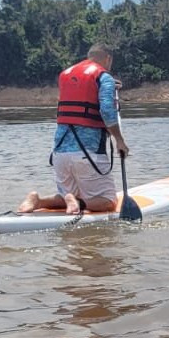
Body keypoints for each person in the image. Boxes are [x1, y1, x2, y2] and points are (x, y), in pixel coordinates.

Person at [17, 44, 130, 215]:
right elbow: (107, 111)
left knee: (68, 195)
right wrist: (119, 140)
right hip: (88, 152)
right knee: (109, 202)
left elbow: (84, 91)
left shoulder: (66, 74)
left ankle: (37, 200)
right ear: (108, 58)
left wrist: (108, 85)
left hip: (59, 153)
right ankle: (76, 202)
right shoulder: (103, 76)